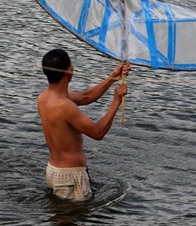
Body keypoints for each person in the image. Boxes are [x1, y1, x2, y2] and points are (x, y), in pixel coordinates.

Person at [38, 48, 130, 201]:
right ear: (69, 71)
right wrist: (116, 101)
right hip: (71, 176)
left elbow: (86, 97)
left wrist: (112, 78)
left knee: (62, 221)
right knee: (72, 222)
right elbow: (98, 132)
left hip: (53, 171)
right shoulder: (64, 106)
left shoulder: (44, 97)